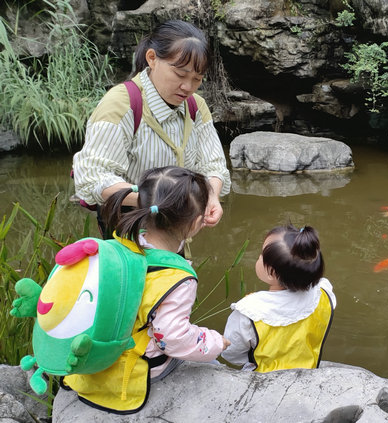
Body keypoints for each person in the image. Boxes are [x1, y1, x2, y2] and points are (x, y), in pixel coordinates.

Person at [62, 166, 230, 413]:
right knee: (213, 365)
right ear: (197, 223)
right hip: (138, 363)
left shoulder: (121, 242)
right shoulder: (177, 277)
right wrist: (215, 342)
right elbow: (171, 338)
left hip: (99, 349)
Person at [72, 20, 230, 237]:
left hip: (176, 225)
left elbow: (213, 166)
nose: (187, 87)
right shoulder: (121, 104)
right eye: (180, 75)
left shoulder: (196, 107)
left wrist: (211, 196)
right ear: (152, 58)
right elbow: (94, 177)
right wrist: (158, 202)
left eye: (197, 79)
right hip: (128, 227)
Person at [221, 224, 335, 372]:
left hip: (263, 381)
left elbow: (231, 354)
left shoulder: (249, 311)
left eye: (261, 254)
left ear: (271, 273)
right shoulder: (324, 293)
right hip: (309, 372)